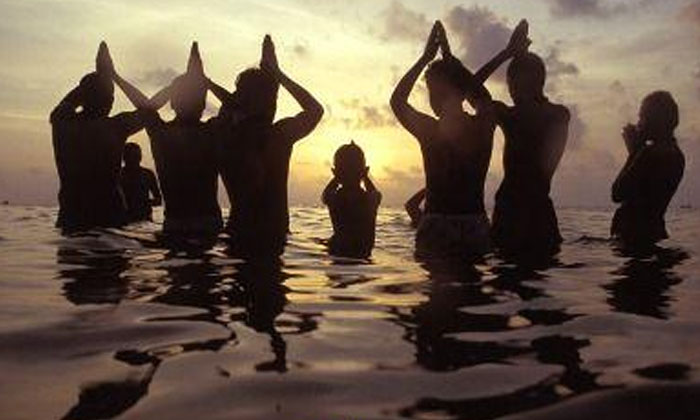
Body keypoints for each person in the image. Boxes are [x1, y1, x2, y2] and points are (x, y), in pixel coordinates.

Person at [390, 21, 496, 260]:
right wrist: (447, 60)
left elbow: (398, 101)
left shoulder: (432, 130)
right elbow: (482, 99)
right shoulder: (481, 125)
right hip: (465, 224)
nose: (435, 100)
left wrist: (427, 58)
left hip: (448, 225)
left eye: (440, 93)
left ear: (459, 94)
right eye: (431, 93)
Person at [216, 35, 324, 257]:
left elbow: (229, 112)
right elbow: (315, 110)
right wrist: (277, 73)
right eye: (271, 98)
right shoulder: (278, 137)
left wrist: (211, 86)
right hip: (274, 238)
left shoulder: (226, 136)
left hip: (237, 237)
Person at [473, 20, 570, 260]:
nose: (509, 89)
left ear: (517, 83)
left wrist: (507, 54)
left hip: (510, 211)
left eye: (510, 83)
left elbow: (468, 89)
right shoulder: (559, 115)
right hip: (541, 211)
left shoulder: (510, 116)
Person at [110, 42, 224, 244]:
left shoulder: (161, 133)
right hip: (208, 226)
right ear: (204, 104)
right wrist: (204, 82)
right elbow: (237, 107)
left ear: (172, 101)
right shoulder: (213, 131)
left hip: (176, 226)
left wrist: (116, 77)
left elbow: (146, 108)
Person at [50, 42, 144, 231]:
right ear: (110, 100)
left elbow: (65, 105)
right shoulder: (116, 126)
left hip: (72, 218)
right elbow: (148, 109)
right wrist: (113, 76)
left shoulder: (62, 124)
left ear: (82, 97)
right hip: (110, 216)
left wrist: (95, 80)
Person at [611, 91, 685, 250]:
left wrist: (633, 153)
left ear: (654, 121)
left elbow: (617, 193)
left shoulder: (649, 154)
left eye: (642, 117)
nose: (639, 123)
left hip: (635, 237)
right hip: (654, 232)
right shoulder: (677, 155)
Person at [322, 141, 382, 258]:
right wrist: (365, 177)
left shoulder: (335, 199)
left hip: (339, 250)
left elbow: (325, 194)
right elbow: (375, 194)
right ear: (364, 170)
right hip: (363, 251)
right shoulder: (369, 200)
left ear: (335, 172)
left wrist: (336, 178)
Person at [120, 143, 162, 222]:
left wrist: (144, 202)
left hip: (144, 218)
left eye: (137, 155)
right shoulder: (119, 175)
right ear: (124, 157)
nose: (136, 158)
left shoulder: (148, 174)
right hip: (126, 218)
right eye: (132, 155)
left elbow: (158, 200)